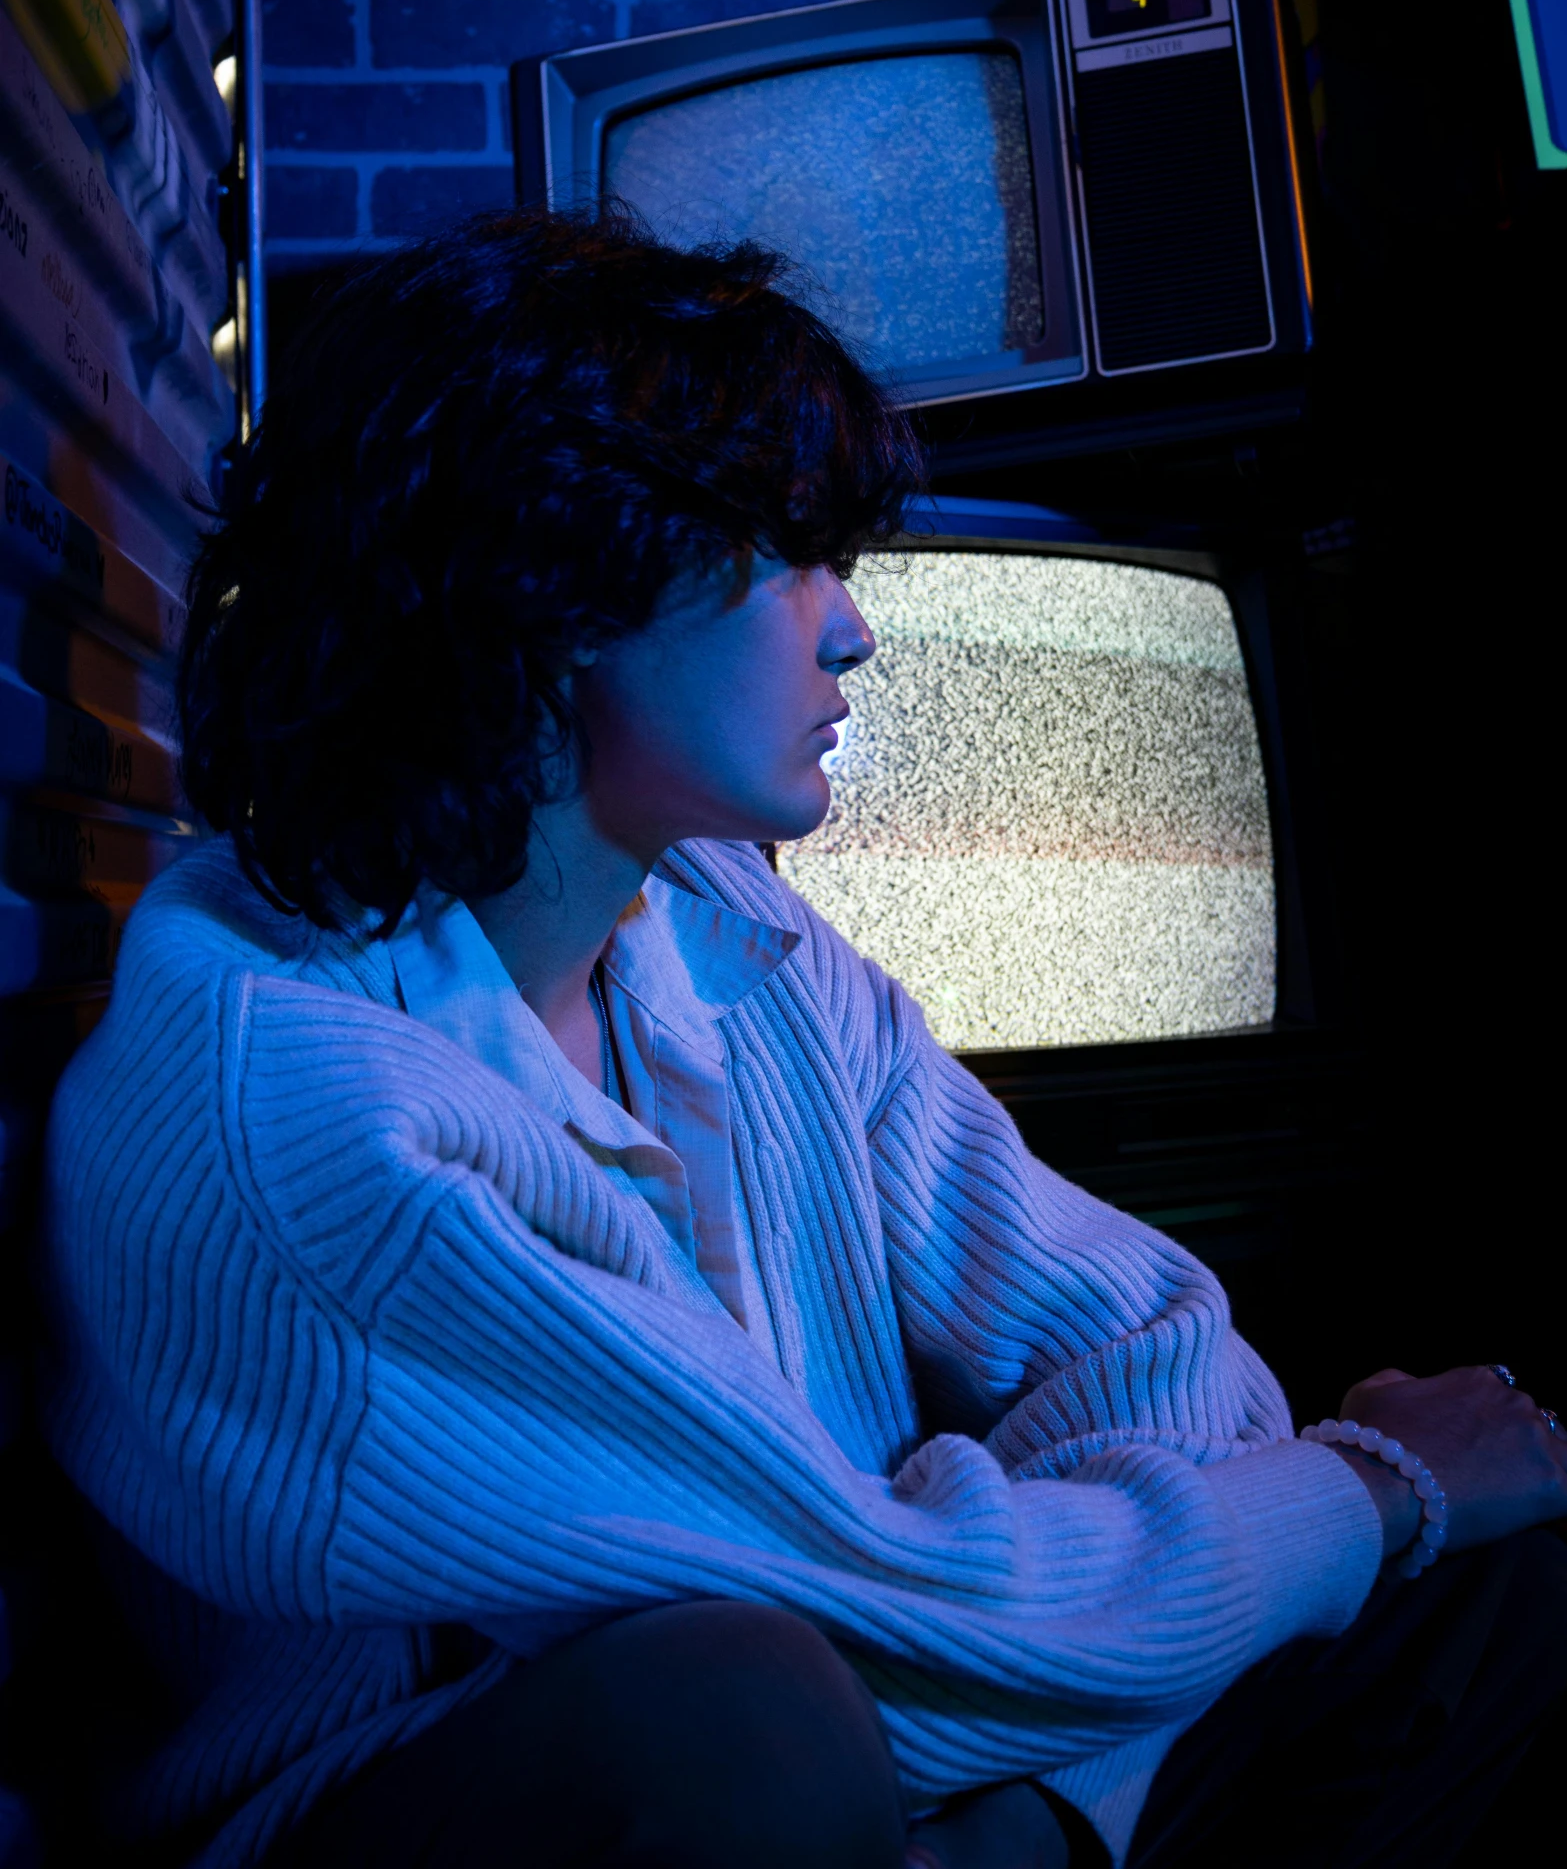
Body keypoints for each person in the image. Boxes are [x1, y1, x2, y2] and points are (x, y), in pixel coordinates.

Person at [40, 210, 1567, 1869]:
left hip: (921, 1763)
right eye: (787, 557)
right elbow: (858, 1664)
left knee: (1497, 1574)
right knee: (749, 1716)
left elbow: (1159, 1351)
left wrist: (1040, 1738)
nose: (850, 631)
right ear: (554, 577)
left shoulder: (728, 929)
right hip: (477, 1810)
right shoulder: (295, 1105)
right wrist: (1368, 1490)